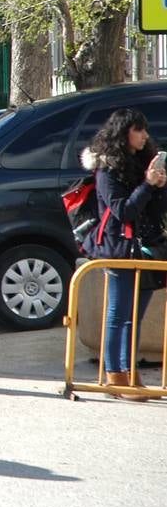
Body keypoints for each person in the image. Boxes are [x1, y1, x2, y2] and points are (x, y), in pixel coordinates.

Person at [82, 108, 167, 401]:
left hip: (146, 249)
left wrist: (159, 185)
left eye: (145, 130)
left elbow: (155, 211)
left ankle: (131, 375)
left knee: (136, 316)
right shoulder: (107, 169)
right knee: (119, 313)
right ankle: (115, 375)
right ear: (123, 133)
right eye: (138, 130)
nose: (145, 136)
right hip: (119, 247)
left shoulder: (144, 161)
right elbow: (123, 211)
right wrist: (146, 185)